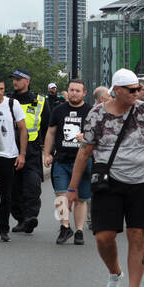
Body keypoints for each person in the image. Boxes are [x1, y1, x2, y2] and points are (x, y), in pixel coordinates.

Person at [68, 69, 144, 287]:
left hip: (142, 181)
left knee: (137, 234)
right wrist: (71, 188)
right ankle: (114, 273)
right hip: (109, 181)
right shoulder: (97, 114)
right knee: (103, 237)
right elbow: (85, 151)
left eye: (138, 89)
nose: (137, 93)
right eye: (132, 90)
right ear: (116, 90)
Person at [43, 79, 91, 245]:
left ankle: (79, 230)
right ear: (67, 91)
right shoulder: (59, 110)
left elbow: (98, 135)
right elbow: (51, 132)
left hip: (84, 160)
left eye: (78, 91)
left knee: (81, 199)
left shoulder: (90, 111)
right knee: (61, 195)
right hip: (61, 159)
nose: (74, 93)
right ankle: (65, 227)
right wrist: (47, 153)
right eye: (71, 90)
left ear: (84, 93)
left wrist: (86, 136)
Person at [0, 79, 25, 243]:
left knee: (6, 195)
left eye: (1, 88)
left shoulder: (12, 104)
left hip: (8, 154)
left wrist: (22, 154)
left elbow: (22, 129)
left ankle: (3, 228)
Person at [10, 69, 47, 235]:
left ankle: (31, 216)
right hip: (10, 148)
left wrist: (48, 149)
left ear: (27, 81)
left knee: (32, 186)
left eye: (18, 79)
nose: (15, 82)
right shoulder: (7, 100)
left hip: (32, 149)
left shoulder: (39, 101)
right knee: (13, 188)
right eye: (14, 79)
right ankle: (20, 219)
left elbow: (47, 126)